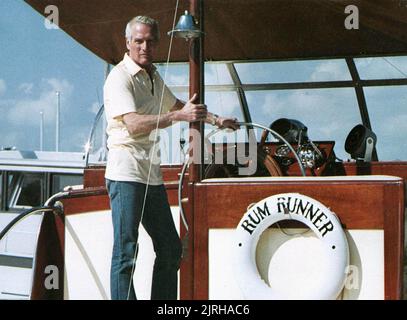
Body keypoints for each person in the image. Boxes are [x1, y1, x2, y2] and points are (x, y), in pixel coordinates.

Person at [103, 15, 239, 300]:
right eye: (138, 41)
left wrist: (216, 119)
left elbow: (178, 105)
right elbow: (134, 123)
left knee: (170, 248)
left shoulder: (152, 75)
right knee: (126, 252)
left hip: (150, 176)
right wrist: (178, 116)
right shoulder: (119, 78)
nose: (144, 47)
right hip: (126, 174)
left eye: (150, 42)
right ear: (127, 43)